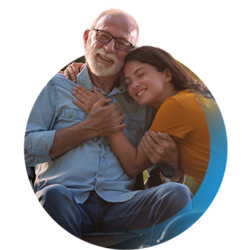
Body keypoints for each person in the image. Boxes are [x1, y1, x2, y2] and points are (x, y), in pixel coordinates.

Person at [22, 7, 193, 248]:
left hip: (122, 206)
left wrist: (175, 163)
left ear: (132, 55)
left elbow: (160, 166)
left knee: (178, 194)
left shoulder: (141, 98)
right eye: (103, 36)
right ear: (85, 38)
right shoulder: (53, 87)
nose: (109, 48)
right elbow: (25, 147)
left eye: (123, 44)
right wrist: (88, 128)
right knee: (54, 195)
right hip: (65, 201)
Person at [70, 45, 217, 185]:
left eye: (141, 74)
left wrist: (106, 115)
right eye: (128, 83)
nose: (134, 85)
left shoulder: (175, 105)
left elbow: (133, 165)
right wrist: (86, 69)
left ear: (166, 74)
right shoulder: (194, 97)